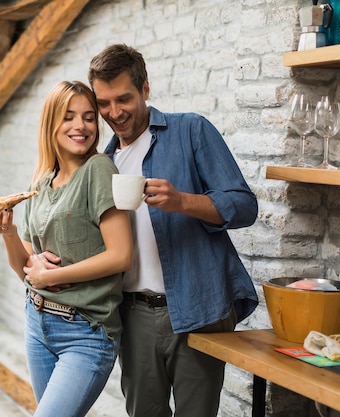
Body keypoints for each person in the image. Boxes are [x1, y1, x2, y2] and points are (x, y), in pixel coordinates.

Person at [86, 44, 259, 417]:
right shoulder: (103, 161)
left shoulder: (191, 130)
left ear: (145, 88)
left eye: (124, 99)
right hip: (133, 316)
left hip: (199, 308)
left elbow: (245, 206)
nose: (114, 113)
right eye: (103, 103)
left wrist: (182, 201)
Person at [0, 80, 133, 417]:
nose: (80, 126)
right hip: (37, 323)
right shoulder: (41, 181)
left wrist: (54, 276)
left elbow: (122, 254)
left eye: (88, 117)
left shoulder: (99, 169)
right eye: (68, 117)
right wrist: (9, 233)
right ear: (51, 123)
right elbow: (26, 267)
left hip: (86, 332)